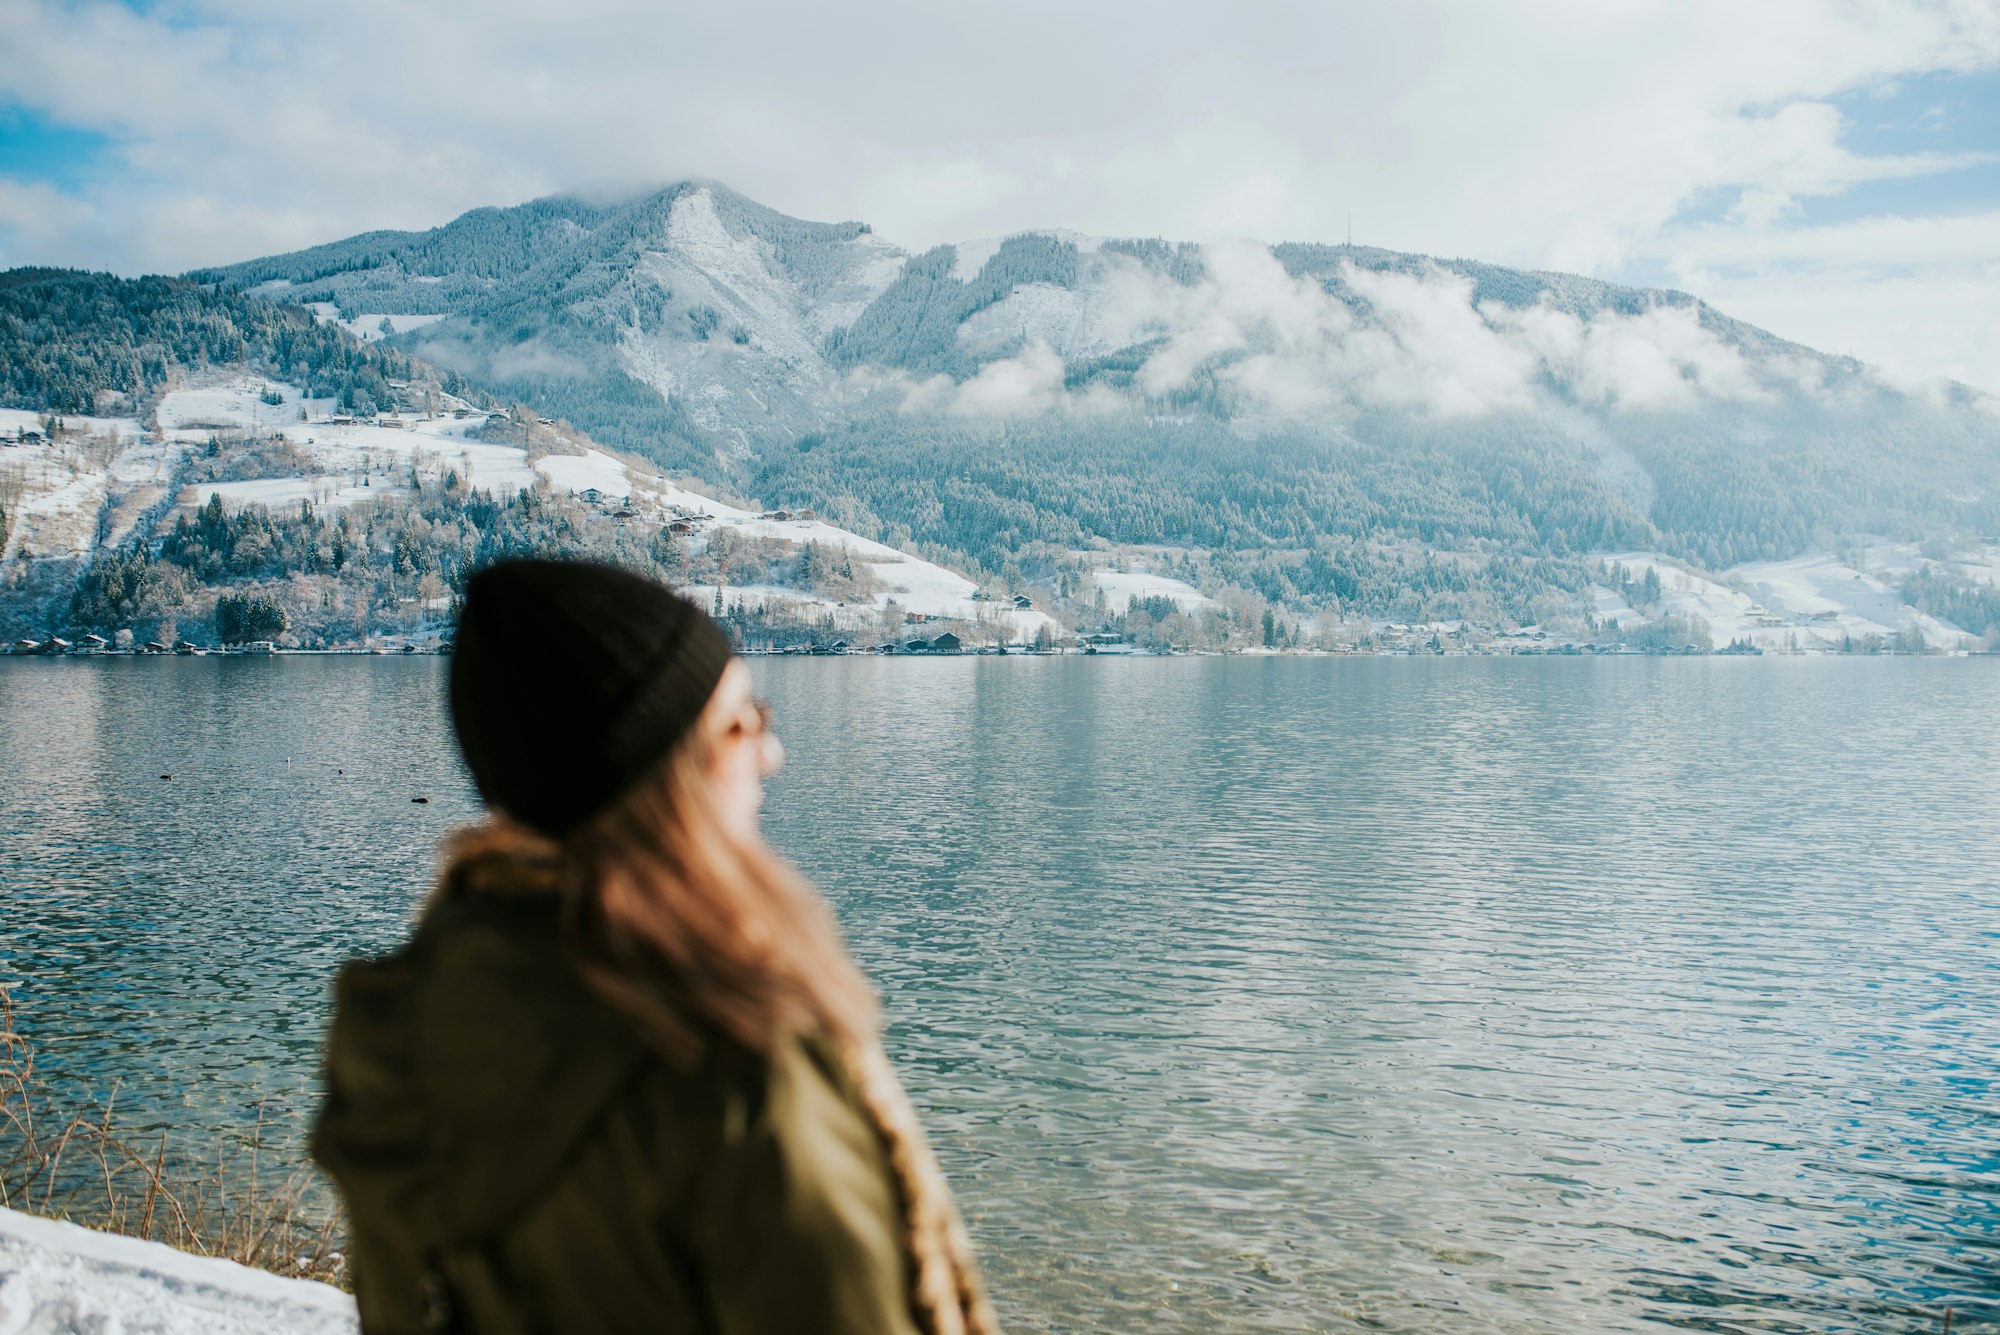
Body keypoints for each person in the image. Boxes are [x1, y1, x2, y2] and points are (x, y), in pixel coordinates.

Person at [313, 558, 999, 1335]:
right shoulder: (734, 1061)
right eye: (742, 722)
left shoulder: (403, 1042)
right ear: (664, 779)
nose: (771, 753)